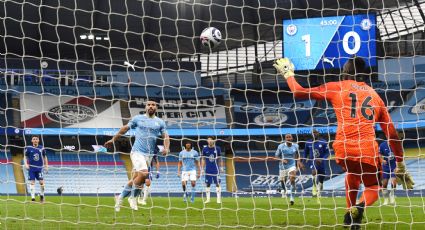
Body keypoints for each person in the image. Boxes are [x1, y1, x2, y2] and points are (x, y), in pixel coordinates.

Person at [274, 57, 414, 228]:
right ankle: (360, 207)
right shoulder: (376, 97)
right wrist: (400, 164)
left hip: (343, 148)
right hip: (367, 149)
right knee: (373, 186)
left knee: (352, 175)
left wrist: (288, 73)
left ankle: (350, 216)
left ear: (345, 73)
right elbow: (392, 134)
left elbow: (298, 91)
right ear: (366, 75)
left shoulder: (337, 87)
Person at [105, 100, 169, 211]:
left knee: (137, 179)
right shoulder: (138, 118)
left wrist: (166, 147)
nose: (150, 106)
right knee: (144, 174)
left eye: (153, 105)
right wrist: (113, 139)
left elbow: (166, 136)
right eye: (148, 104)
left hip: (149, 155)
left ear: (156, 108)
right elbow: (125, 128)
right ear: (145, 107)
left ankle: (120, 198)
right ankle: (132, 198)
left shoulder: (160, 122)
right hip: (137, 152)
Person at [275, 133, 304, 205]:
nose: (288, 138)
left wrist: (299, 163)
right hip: (282, 167)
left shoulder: (296, 146)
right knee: (283, 182)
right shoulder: (281, 146)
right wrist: (282, 160)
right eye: (287, 137)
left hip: (292, 165)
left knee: (292, 179)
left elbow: (298, 156)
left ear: (292, 138)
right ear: (285, 139)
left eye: (289, 137)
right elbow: (276, 156)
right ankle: (284, 190)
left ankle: (292, 197)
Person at [304, 129, 330, 199]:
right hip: (312, 161)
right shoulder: (308, 142)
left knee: (321, 178)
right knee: (314, 172)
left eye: (315, 132)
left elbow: (327, 153)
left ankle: (320, 186)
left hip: (321, 162)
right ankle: (314, 187)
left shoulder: (324, 142)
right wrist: (305, 158)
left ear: (318, 133)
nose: (314, 133)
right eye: (313, 132)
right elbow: (305, 152)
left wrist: (322, 159)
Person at [23, 135, 48, 203]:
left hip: (39, 168)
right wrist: (26, 164)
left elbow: (45, 157)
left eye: (36, 139)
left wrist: (46, 166)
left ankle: (42, 196)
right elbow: (25, 156)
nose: (35, 140)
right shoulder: (28, 148)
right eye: (34, 139)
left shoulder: (42, 148)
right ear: (32, 140)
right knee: (32, 182)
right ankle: (33, 198)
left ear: (38, 140)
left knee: (41, 182)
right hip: (31, 168)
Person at [201, 136, 224, 204]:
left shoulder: (217, 148)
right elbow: (203, 159)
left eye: (211, 140)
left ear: (213, 141)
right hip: (208, 169)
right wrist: (202, 169)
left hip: (216, 169)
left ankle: (218, 199)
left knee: (217, 183)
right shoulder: (205, 149)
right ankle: (208, 199)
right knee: (207, 184)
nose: (209, 141)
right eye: (208, 140)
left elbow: (220, 158)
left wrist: (222, 167)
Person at [379, 140, 397, 205]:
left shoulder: (396, 144)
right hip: (385, 167)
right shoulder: (382, 145)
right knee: (384, 184)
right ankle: (386, 199)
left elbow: (400, 155)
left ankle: (392, 196)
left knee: (394, 182)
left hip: (394, 166)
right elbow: (379, 154)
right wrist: (382, 160)